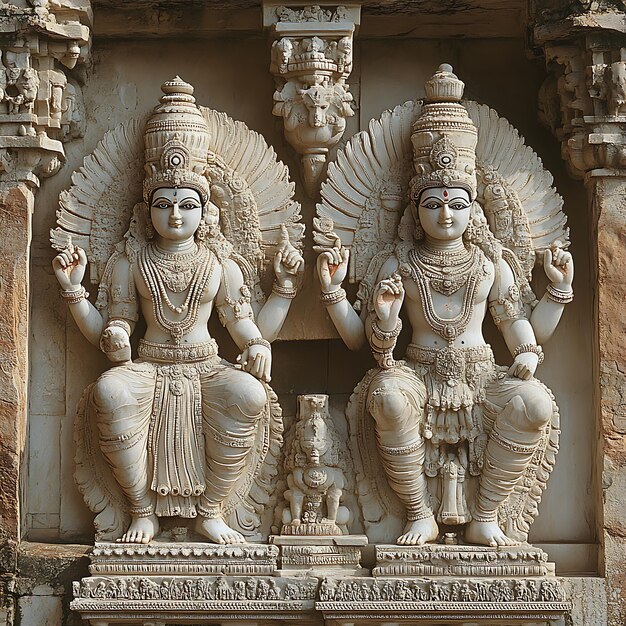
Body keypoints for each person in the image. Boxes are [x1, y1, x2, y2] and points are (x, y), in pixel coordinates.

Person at [316, 65, 573, 547]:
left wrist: (554, 297)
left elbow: (519, 327)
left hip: (481, 373)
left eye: (456, 203)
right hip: (417, 371)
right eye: (433, 203)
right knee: (388, 397)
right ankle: (417, 512)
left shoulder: (489, 261)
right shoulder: (401, 261)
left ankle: (487, 514)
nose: (446, 213)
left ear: (474, 207)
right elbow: (359, 338)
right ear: (415, 209)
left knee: (534, 402)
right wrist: (336, 292)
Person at [53, 77, 303, 545]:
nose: (175, 215)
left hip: (207, 366)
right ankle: (141, 510)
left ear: (206, 209)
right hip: (150, 367)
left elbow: (245, 327)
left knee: (249, 396)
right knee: (109, 392)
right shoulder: (131, 261)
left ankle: (212, 511)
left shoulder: (219, 263)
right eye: (163, 204)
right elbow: (115, 329)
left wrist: (279, 301)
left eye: (188, 204)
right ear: (145, 208)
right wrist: (78, 298)